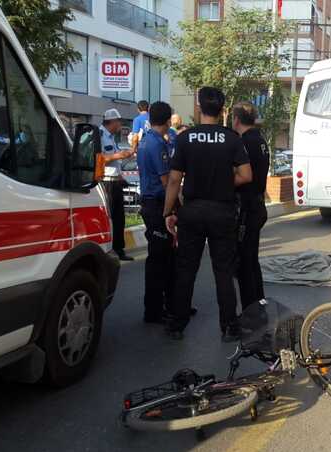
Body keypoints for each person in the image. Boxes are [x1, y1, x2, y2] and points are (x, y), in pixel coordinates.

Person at [164, 87, 253, 341]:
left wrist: (168, 212)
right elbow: (246, 175)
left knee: (186, 270)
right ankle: (229, 327)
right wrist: (224, 182)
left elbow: (174, 180)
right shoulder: (232, 139)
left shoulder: (184, 138)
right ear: (222, 110)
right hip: (222, 212)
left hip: (191, 212)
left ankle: (177, 325)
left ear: (199, 107)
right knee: (223, 271)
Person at [136, 101, 176, 323]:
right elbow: (166, 181)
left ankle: (168, 305)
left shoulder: (145, 140)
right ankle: (154, 310)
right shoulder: (158, 144)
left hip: (150, 203)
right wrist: (173, 208)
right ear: (168, 121)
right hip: (157, 205)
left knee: (165, 257)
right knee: (159, 259)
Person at [231, 101, 270, 310]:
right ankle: (259, 302)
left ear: (236, 119)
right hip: (257, 204)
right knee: (251, 259)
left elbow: (244, 176)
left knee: (243, 262)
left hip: (246, 207)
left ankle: (250, 311)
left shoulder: (243, 142)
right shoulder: (261, 140)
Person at [100, 108, 135, 261]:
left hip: (115, 181)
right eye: (119, 121)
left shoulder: (111, 137)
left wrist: (121, 176)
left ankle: (119, 249)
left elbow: (114, 162)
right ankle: (109, 250)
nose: (120, 125)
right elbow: (99, 158)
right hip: (106, 182)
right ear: (112, 122)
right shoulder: (100, 135)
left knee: (119, 218)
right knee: (110, 217)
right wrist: (118, 155)